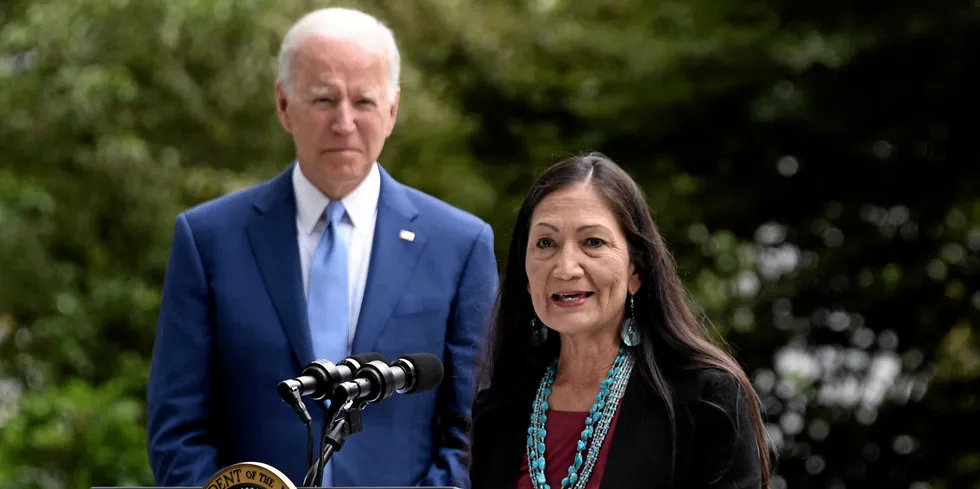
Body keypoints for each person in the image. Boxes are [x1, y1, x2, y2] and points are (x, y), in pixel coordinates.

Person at [146, 7, 498, 488]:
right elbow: (178, 429)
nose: (344, 122)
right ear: (283, 105)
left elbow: (476, 430)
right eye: (324, 99)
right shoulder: (208, 240)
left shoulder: (460, 245)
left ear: (393, 110)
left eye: (364, 102)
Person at [468, 154, 772, 489]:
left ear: (636, 271)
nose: (566, 267)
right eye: (545, 243)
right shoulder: (499, 409)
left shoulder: (704, 398)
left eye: (593, 242)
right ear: (525, 276)